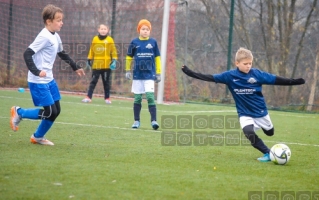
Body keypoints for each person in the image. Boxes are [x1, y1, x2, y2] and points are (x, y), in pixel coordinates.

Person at [181, 47, 305, 162]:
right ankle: (268, 153)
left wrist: (295, 81)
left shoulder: (257, 74)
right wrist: (189, 72)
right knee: (248, 133)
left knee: (270, 133)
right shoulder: (229, 76)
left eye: (250, 63)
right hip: (244, 113)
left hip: (260, 112)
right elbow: (209, 77)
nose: (248, 66)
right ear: (237, 63)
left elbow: (276, 80)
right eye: (245, 64)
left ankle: (265, 127)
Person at [10, 4, 85, 145]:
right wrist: (36, 71)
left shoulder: (55, 36)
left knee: (56, 111)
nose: (61, 22)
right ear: (48, 21)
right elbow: (27, 53)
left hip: (49, 79)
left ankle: (37, 137)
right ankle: (19, 112)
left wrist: (75, 66)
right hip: (38, 81)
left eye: (61, 19)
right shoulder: (43, 36)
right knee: (50, 112)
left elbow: (61, 53)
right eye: (58, 20)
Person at [125, 19, 161, 130]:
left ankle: (154, 121)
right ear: (139, 30)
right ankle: (136, 121)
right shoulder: (134, 42)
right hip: (137, 75)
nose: (145, 31)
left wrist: (158, 72)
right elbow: (129, 57)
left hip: (149, 75)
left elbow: (157, 58)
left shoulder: (153, 42)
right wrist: (127, 70)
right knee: (137, 99)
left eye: (147, 29)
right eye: (143, 29)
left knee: (150, 97)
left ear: (150, 31)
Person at [82, 24, 118, 104]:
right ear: (98, 30)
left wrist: (114, 60)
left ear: (107, 30)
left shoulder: (110, 40)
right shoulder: (95, 39)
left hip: (106, 66)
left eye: (105, 29)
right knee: (93, 81)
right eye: (101, 29)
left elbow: (113, 50)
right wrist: (89, 59)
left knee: (106, 82)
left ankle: (107, 98)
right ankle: (88, 97)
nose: (103, 30)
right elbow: (92, 49)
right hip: (96, 65)